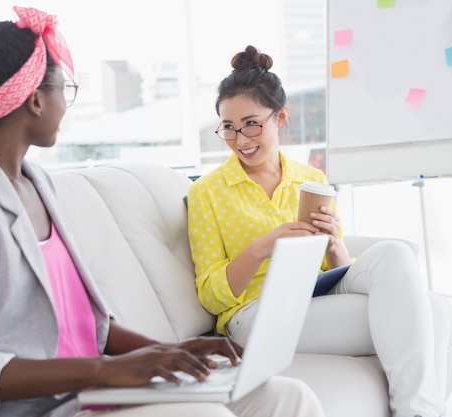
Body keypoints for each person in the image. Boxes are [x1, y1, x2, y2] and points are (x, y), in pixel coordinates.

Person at [0, 9, 327, 417]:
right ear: (35, 100)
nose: (66, 105)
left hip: (98, 390)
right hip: (49, 406)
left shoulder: (38, 186)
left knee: (287, 398)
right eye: (63, 90)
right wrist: (104, 370)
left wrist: (166, 352)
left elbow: (90, 326)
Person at [187, 44, 452, 417]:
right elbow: (212, 298)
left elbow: (336, 269)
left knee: (396, 254)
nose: (241, 139)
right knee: (432, 310)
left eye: (252, 123)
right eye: (228, 128)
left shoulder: (310, 179)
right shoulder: (206, 193)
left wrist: (333, 246)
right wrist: (262, 247)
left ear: (280, 118)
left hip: (314, 296)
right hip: (255, 315)